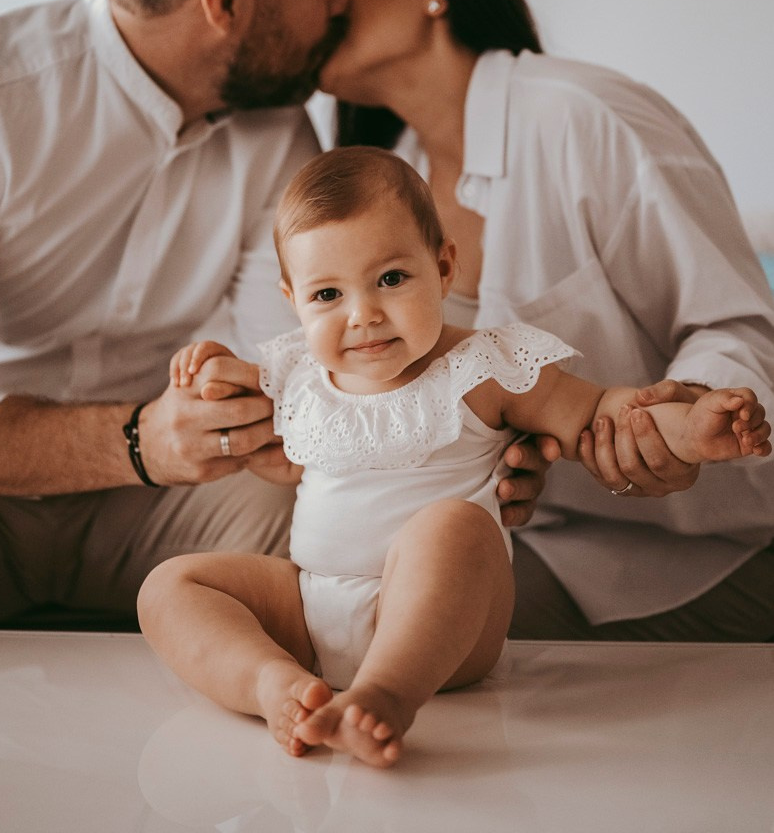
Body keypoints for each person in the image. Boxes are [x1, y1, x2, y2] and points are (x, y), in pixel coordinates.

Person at [137, 147, 769, 768]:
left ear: (442, 268)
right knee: (171, 585)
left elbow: (602, 414)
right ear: (291, 298)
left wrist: (688, 430)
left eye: (390, 279)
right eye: (327, 294)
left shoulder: (481, 366)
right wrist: (211, 368)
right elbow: (231, 398)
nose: (363, 315)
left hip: (442, 622)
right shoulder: (296, 373)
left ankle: (385, 695)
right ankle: (275, 685)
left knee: (452, 525)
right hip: (309, 602)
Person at [312, 0, 774, 641]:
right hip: (532, 544)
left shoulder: (584, 117)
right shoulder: (385, 191)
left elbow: (740, 325)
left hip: (714, 549)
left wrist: (686, 417)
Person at [0, 0, 351, 627]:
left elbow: (283, 363)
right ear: (226, 0)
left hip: (169, 500)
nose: (342, 0)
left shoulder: (280, 131)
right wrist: (138, 439)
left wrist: (250, 410)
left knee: (333, 544)